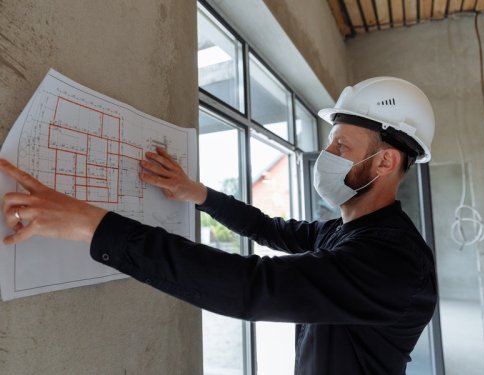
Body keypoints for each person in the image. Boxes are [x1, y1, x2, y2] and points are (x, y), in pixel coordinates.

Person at [1, 77, 437, 374]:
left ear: (384, 161)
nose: (327, 155)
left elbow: (250, 287)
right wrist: (198, 193)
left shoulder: (392, 261)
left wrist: (93, 224)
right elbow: (270, 228)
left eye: (341, 145)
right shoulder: (344, 232)